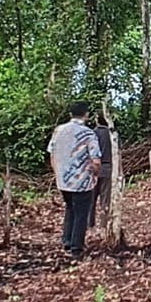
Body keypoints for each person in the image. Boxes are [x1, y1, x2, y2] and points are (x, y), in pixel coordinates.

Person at [48, 101, 102, 258]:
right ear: (86, 115)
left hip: (63, 180)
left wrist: (58, 172)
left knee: (70, 208)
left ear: (70, 114)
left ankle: (67, 240)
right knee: (81, 213)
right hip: (82, 181)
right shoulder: (88, 133)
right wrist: (95, 174)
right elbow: (96, 159)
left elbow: (52, 153)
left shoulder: (59, 131)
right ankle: (77, 247)